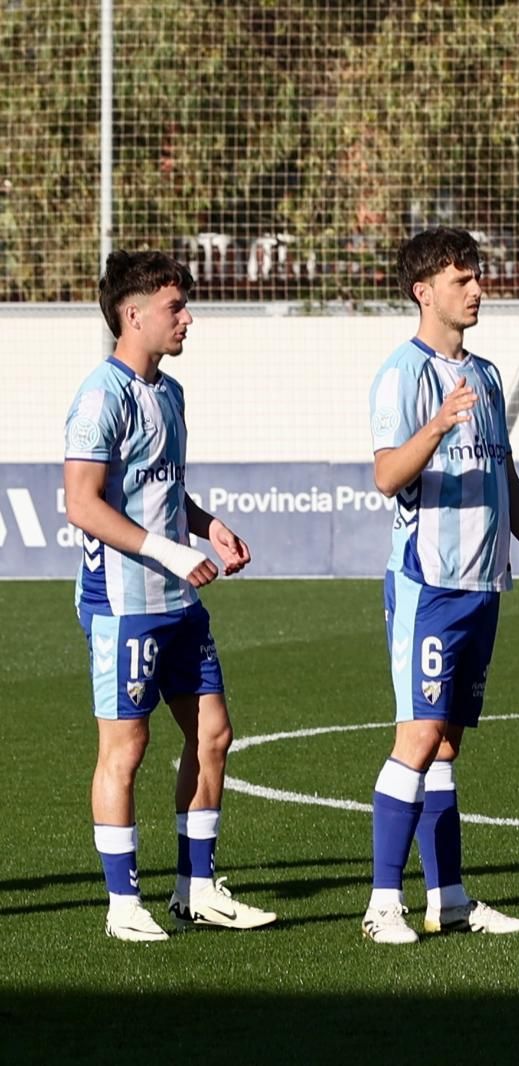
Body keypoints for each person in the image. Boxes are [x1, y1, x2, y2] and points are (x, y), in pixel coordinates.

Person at [361, 228, 519, 945]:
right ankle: (382, 904)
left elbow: (501, 473)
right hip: (430, 585)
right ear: (424, 292)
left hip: (484, 585)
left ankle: (448, 896)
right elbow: (388, 476)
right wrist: (436, 425)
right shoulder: (403, 374)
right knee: (417, 736)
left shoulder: (483, 374)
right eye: (461, 280)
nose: (477, 288)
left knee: (448, 745)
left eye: (476, 276)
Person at [64, 250, 276, 942]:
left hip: (178, 599)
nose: (187, 318)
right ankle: (123, 904)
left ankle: (197, 887)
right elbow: (82, 504)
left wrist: (207, 526)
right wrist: (169, 551)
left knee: (214, 734)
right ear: (133, 314)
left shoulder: (170, 393)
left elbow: (161, 490)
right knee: (126, 748)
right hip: (124, 605)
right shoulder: (101, 395)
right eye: (174, 306)